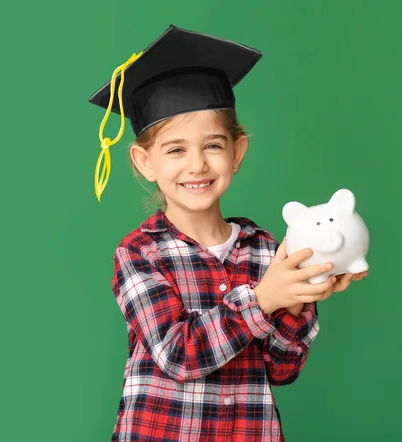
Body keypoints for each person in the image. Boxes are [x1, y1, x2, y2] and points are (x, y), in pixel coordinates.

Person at [88, 25, 368, 442]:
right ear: (145, 162)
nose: (197, 165)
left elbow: (283, 369)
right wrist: (264, 299)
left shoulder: (268, 251)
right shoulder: (139, 253)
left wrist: (301, 295)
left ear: (237, 152)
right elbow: (178, 356)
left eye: (213, 146)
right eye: (176, 149)